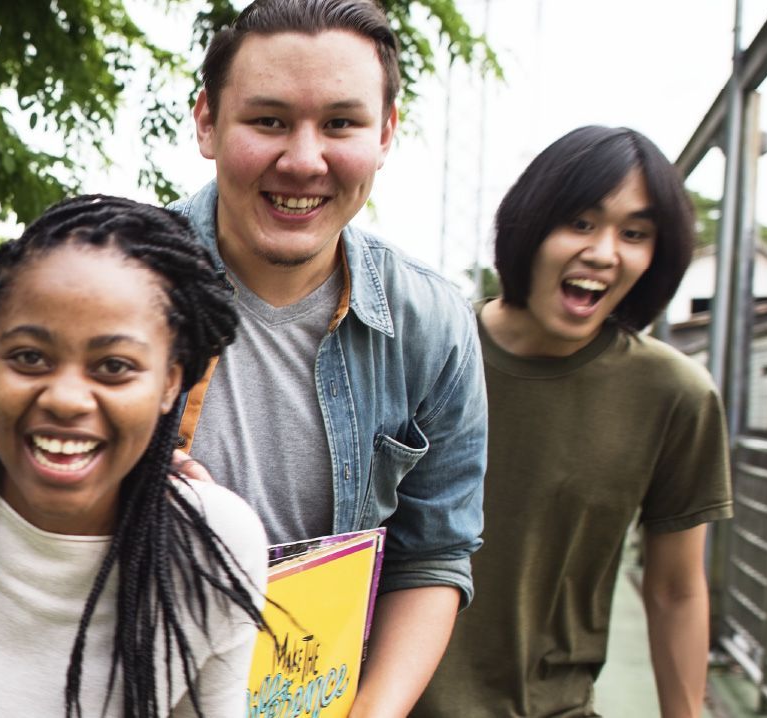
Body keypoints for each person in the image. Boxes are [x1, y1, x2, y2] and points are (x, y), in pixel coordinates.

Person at [168, 0, 489, 711]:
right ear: (206, 124)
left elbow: (433, 554)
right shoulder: (108, 280)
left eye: (339, 123)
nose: (303, 160)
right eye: (268, 121)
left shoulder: (430, 325)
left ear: (385, 133)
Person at [0, 195, 268, 717]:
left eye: (114, 366)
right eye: (29, 357)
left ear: (172, 381)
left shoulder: (213, 546)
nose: (66, 398)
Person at [413, 126, 731, 717]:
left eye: (634, 233)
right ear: (530, 226)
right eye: (580, 223)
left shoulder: (674, 395)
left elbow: (676, 590)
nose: (604, 251)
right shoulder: (425, 352)